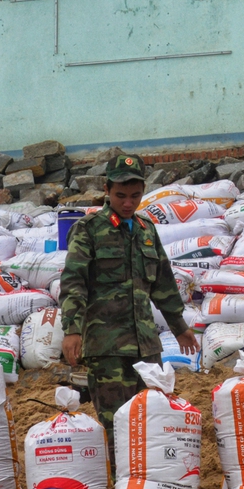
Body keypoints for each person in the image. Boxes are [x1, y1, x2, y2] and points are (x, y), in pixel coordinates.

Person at [59, 151, 201, 438]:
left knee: (154, 422)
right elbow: (74, 282)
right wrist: (72, 330)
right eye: (121, 195)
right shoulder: (88, 230)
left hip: (147, 348)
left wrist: (179, 327)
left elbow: (163, 283)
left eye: (135, 196)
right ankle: (123, 482)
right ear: (106, 190)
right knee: (118, 428)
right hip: (107, 348)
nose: (127, 203)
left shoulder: (146, 231)